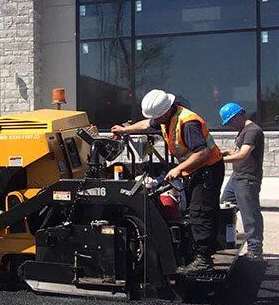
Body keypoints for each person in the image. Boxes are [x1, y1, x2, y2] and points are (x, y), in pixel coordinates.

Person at [111, 89, 225, 274]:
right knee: (191, 210)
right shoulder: (168, 118)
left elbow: (203, 153)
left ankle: (204, 261)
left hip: (207, 169)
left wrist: (178, 169)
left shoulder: (187, 122)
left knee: (200, 212)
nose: (155, 120)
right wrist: (124, 130)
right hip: (196, 170)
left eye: (157, 116)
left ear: (166, 111)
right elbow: (147, 125)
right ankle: (195, 252)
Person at [219, 102, 264, 262]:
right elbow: (239, 152)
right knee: (225, 206)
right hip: (237, 177)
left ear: (239, 115)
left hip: (247, 178)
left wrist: (218, 160)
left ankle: (255, 250)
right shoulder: (243, 131)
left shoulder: (253, 131)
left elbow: (243, 154)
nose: (230, 125)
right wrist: (227, 153)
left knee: (249, 214)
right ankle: (226, 238)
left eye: (230, 121)